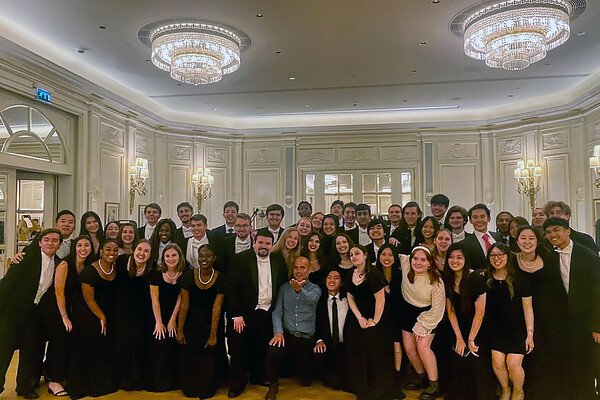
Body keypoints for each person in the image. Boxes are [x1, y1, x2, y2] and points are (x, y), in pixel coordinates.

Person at [0, 229, 62, 399]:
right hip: (12, 313)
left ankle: (23, 387)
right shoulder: (26, 258)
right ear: (40, 242)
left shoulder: (59, 264)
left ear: (59, 244)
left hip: (33, 315)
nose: (50, 243)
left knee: (29, 352)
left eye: (54, 240)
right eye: (46, 240)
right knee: (3, 352)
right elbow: (6, 284)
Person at [226, 231, 288, 398]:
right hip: (244, 314)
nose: (263, 246)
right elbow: (231, 289)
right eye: (260, 242)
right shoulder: (240, 259)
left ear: (272, 245)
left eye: (268, 243)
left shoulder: (278, 260)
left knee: (262, 348)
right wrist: (236, 314)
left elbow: (281, 286)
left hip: (268, 312)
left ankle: (258, 376)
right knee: (239, 351)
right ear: (254, 242)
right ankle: (237, 383)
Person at [543, 218, 600, 399]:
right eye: (548, 232)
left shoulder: (588, 256)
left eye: (556, 230)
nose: (553, 235)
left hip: (585, 322)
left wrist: (597, 326)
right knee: (565, 366)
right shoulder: (549, 256)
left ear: (568, 231)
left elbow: (597, 292)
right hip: (562, 324)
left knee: (585, 366)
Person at [514, 225, 568, 400]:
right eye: (523, 238)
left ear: (538, 241)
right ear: (517, 241)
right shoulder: (511, 262)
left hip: (551, 318)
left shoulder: (551, 257)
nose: (527, 242)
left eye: (531, 238)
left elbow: (561, 287)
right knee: (529, 359)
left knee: (550, 357)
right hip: (521, 318)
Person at [67, 240, 120, 399]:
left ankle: (102, 382)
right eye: (108, 249)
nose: (112, 252)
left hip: (105, 310)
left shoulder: (116, 267)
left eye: (115, 250)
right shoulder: (90, 271)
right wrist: (101, 316)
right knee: (90, 346)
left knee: (103, 348)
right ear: (101, 251)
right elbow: (88, 299)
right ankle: (85, 385)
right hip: (87, 313)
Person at [441, 243, 495, 400]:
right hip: (459, 326)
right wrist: (459, 338)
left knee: (475, 359)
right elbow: (450, 310)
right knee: (457, 355)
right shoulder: (448, 279)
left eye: (459, 257)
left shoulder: (476, 279)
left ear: (466, 260)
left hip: (479, 327)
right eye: (451, 257)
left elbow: (481, 312)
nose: (454, 261)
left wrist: (470, 338)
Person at [264, 256, 321, 400]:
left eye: (302, 267)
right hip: (287, 335)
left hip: (305, 338)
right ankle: (273, 385)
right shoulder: (284, 288)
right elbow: (277, 312)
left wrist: (299, 290)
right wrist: (278, 332)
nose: (298, 271)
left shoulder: (316, 289)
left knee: (306, 381)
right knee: (272, 351)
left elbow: (311, 300)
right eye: (296, 267)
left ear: (309, 270)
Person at [177, 244, 227, 399]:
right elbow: (184, 305)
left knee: (209, 361)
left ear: (214, 258)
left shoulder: (221, 278)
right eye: (201, 255)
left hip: (211, 324)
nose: (204, 259)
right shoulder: (188, 276)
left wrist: (213, 334)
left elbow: (217, 308)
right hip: (191, 323)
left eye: (208, 256)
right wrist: (180, 330)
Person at [485, 243, 534, 400]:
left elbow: (528, 309)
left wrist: (530, 334)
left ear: (508, 256)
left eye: (501, 254)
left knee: (513, 364)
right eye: (493, 255)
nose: (497, 258)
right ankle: (505, 389)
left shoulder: (520, 279)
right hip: (496, 329)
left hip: (518, 329)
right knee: (497, 362)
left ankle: (518, 390)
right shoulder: (486, 278)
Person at [48, 236, 94, 396]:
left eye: (86, 245)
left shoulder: (90, 265)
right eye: (80, 245)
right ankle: (54, 380)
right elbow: (58, 292)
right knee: (60, 340)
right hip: (59, 309)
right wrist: (64, 316)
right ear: (74, 247)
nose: (83, 248)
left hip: (77, 310)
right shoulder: (65, 264)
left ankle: (69, 375)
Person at [345, 244, 391, 400]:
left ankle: (374, 390)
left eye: (357, 253)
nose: (353, 257)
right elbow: (350, 297)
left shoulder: (374, 273)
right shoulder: (352, 273)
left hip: (374, 318)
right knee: (357, 354)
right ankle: (361, 389)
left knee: (372, 354)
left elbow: (381, 300)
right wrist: (359, 318)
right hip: (358, 318)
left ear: (365, 255)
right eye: (351, 254)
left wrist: (375, 321)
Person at [399, 246, 445, 400]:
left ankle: (434, 384)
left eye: (423, 259)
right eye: (415, 258)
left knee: (422, 347)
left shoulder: (436, 281)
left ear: (430, 262)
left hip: (429, 314)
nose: (418, 262)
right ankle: (421, 376)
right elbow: (399, 255)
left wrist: (422, 325)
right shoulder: (406, 266)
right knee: (409, 348)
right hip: (407, 311)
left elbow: (438, 309)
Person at [114, 239, 152, 391]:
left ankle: (137, 379)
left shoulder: (151, 270)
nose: (142, 253)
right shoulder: (122, 262)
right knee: (122, 344)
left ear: (150, 255)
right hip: (121, 311)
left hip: (141, 314)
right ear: (134, 250)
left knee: (138, 345)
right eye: (139, 249)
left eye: (146, 251)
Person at [147, 243, 184, 392]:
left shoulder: (185, 273)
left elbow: (180, 299)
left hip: (176, 314)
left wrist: (172, 320)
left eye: (174, 255)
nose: (170, 258)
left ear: (179, 257)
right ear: (163, 258)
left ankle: (175, 382)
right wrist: (159, 322)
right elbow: (154, 299)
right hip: (158, 314)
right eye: (167, 256)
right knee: (159, 344)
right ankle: (159, 382)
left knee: (174, 346)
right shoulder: (156, 274)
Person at [375, 244, 406, 399]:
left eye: (390, 255)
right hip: (379, 318)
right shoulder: (374, 274)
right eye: (383, 254)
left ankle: (396, 380)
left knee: (397, 347)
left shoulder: (401, 275)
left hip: (398, 317)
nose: (386, 258)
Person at [313, 269, 350, 391]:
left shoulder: (349, 300)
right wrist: (319, 340)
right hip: (328, 345)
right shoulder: (320, 302)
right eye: (329, 277)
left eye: (336, 277)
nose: (332, 280)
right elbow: (316, 323)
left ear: (341, 282)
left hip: (346, 346)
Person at [461, 204, 502, 270]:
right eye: (475, 217)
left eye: (482, 216)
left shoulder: (499, 237)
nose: (479, 220)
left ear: (489, 218)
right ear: (471, 220)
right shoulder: (465, 244)